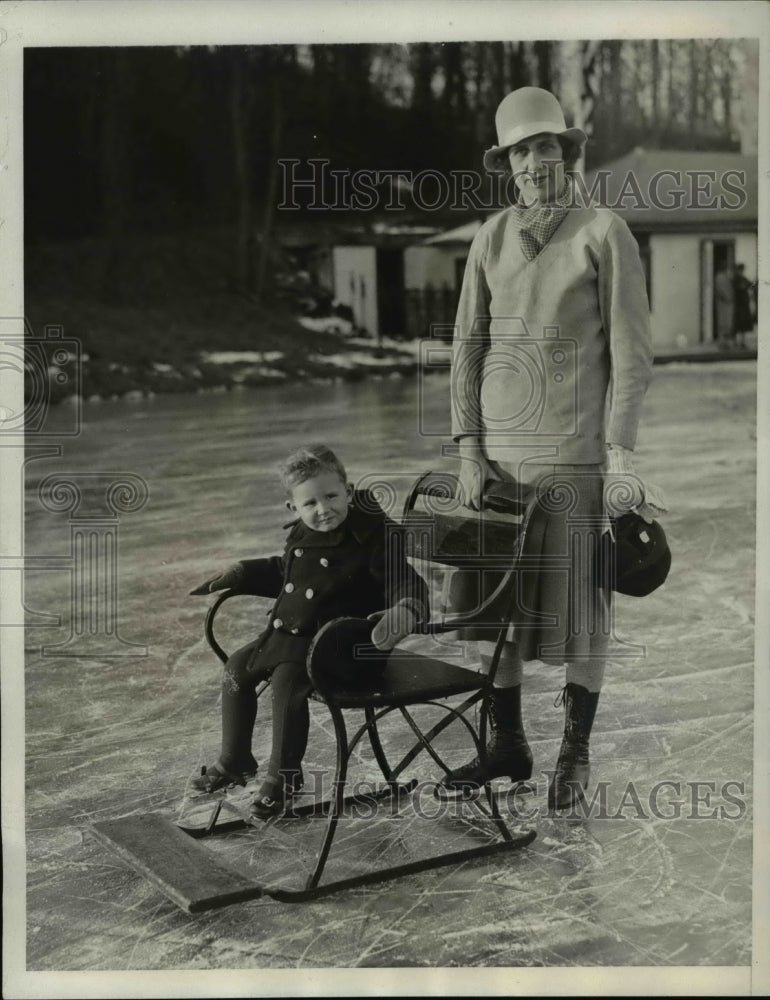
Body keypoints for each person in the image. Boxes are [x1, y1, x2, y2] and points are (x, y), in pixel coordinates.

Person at [446, 87, 665, 811]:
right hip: (500, 466)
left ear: (568, 155)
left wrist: (621, 457)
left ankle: (574, 751)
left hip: (575, 462)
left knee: (584, 615)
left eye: (547, 147)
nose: (535, 161)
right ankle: (507, 745)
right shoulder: (489, 236)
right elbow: (466, 350)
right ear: (506, 164)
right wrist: (469, 448)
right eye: (521, 151)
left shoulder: (605, 231)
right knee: (494, 614)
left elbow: (632, 355)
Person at [188, 444, 428, 820]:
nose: (323, 509)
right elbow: (288, 573)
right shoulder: (303, 534)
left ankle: (283, 779)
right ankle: (235, 759)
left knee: (286, 681)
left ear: (348, 492)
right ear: (293, 509)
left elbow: (405, 581)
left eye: (331, 496)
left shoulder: (374, 536)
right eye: (310, 503)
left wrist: (404, 609)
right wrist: (242, 572)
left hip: (349, 646)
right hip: (298, 638)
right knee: (237, 667)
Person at [732, 263, 753, 350]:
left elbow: (750, 284)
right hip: (739, 304)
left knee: (744, 324)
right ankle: (737, 342)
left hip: (744, 304)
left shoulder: (743, 278)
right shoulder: (736, 279)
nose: (741, 271)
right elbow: (739, 287)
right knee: (738, 323)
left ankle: (743, 342)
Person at [714, 262, 735, 350]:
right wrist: (726, 297)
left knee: (728, 324)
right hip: (723, 303)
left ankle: (727, 344)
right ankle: (721, 343)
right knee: (722, 323)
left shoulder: (727, 277)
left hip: (729, 303)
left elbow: (730, 288)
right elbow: (719, 290)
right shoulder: (719, 277)